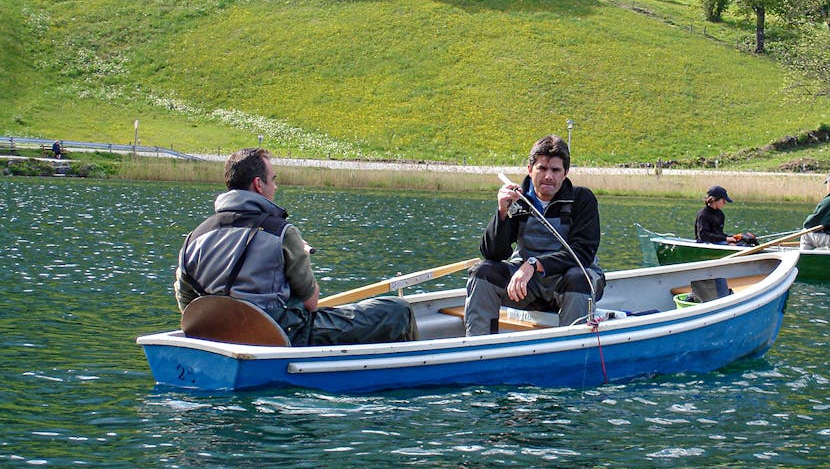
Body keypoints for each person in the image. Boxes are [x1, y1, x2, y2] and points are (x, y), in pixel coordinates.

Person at [175, 147, 417, 346]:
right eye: (273, 180)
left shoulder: (194, 238)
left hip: (219, 338)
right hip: (284, 335)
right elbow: (311, 302)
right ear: (259, 185)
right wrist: (300, 254)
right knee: (397, 310)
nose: (276, 187)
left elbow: (188, 306)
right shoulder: (282, 233)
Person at [464, 134, 604, 336]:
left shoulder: (582, 199)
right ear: (530, 170)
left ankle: (572, 348)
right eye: (542, 168)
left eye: (555, 170)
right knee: (483, 272)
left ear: (565, 173)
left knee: (578, 277)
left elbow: (582, 254)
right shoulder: (519, 201)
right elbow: (493, 253)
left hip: (573, 282)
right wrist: (502, 213)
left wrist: (532, 264)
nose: (549, 176)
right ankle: (478, 347)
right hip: (527, 288)